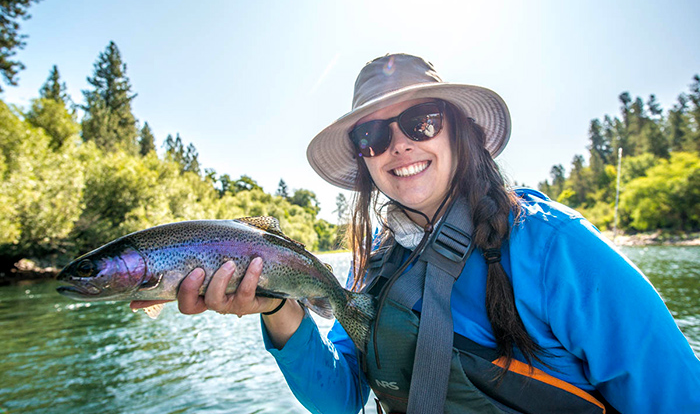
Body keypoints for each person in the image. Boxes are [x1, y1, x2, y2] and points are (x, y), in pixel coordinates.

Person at [133, 53, 700, 413]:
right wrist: (279, 307)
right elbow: (339, 399)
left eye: (421, 122)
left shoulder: (554, 245)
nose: (399, 145)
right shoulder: (371, 267)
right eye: (373, 136)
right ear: (364, 159)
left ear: (459, 131)